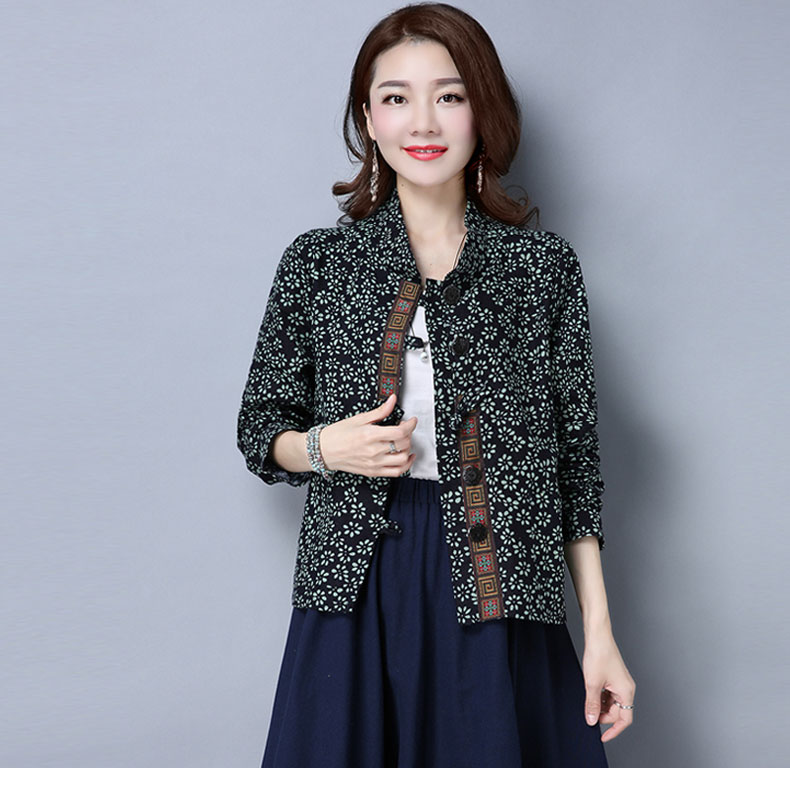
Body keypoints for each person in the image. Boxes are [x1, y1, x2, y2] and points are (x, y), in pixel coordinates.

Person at [237, 2, 636, 768]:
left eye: (450, 95)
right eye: (396, 97)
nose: (423, 121)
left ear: (483, 111)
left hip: (502, 581)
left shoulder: (541, 271)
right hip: (353, 585)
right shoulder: (318, 265)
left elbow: (574, 469)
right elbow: (260, 428)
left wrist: (600, 635)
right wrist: (324, 448)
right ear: (369, 118)